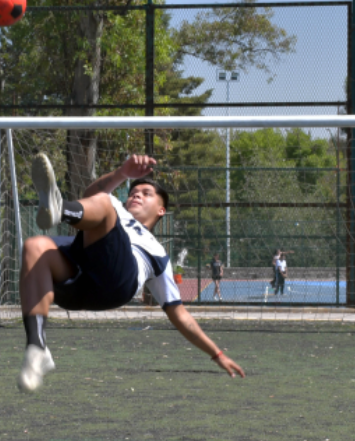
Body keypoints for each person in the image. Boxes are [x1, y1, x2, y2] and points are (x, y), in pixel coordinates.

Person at [17, 153, 245, 393]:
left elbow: (179, 313)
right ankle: (37, 348)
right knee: (34, 246)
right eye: (134, 192)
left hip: (115, 284)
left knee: (104, 203)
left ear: (161, 210)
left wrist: (217, 353)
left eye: (147, 193)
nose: (137, 195)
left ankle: (60, 209)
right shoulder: (117, 207)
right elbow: (90, 195)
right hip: (75, 283)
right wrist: (122, 173)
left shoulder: (158, 253)